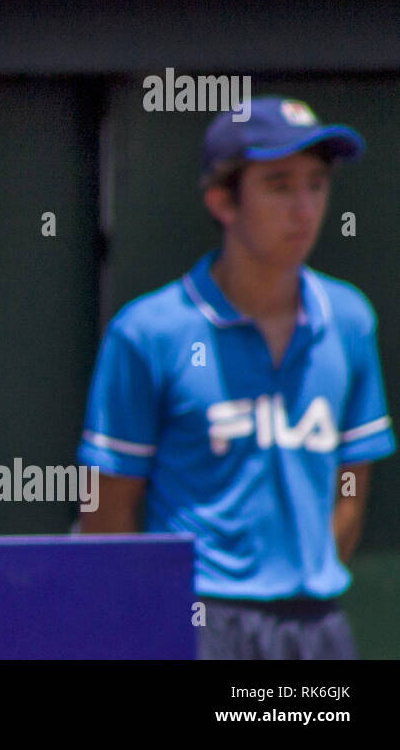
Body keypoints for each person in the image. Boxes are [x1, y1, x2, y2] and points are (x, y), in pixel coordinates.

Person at [77, 96, 394, 659]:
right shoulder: (149, 333)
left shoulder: (349, 321)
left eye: (316, 185)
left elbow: (352, 482)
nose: (304, 208)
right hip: (201, 622)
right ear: (223, 200)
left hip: (316, 628)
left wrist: (307, 574)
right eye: (279, 186)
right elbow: (109, 509)